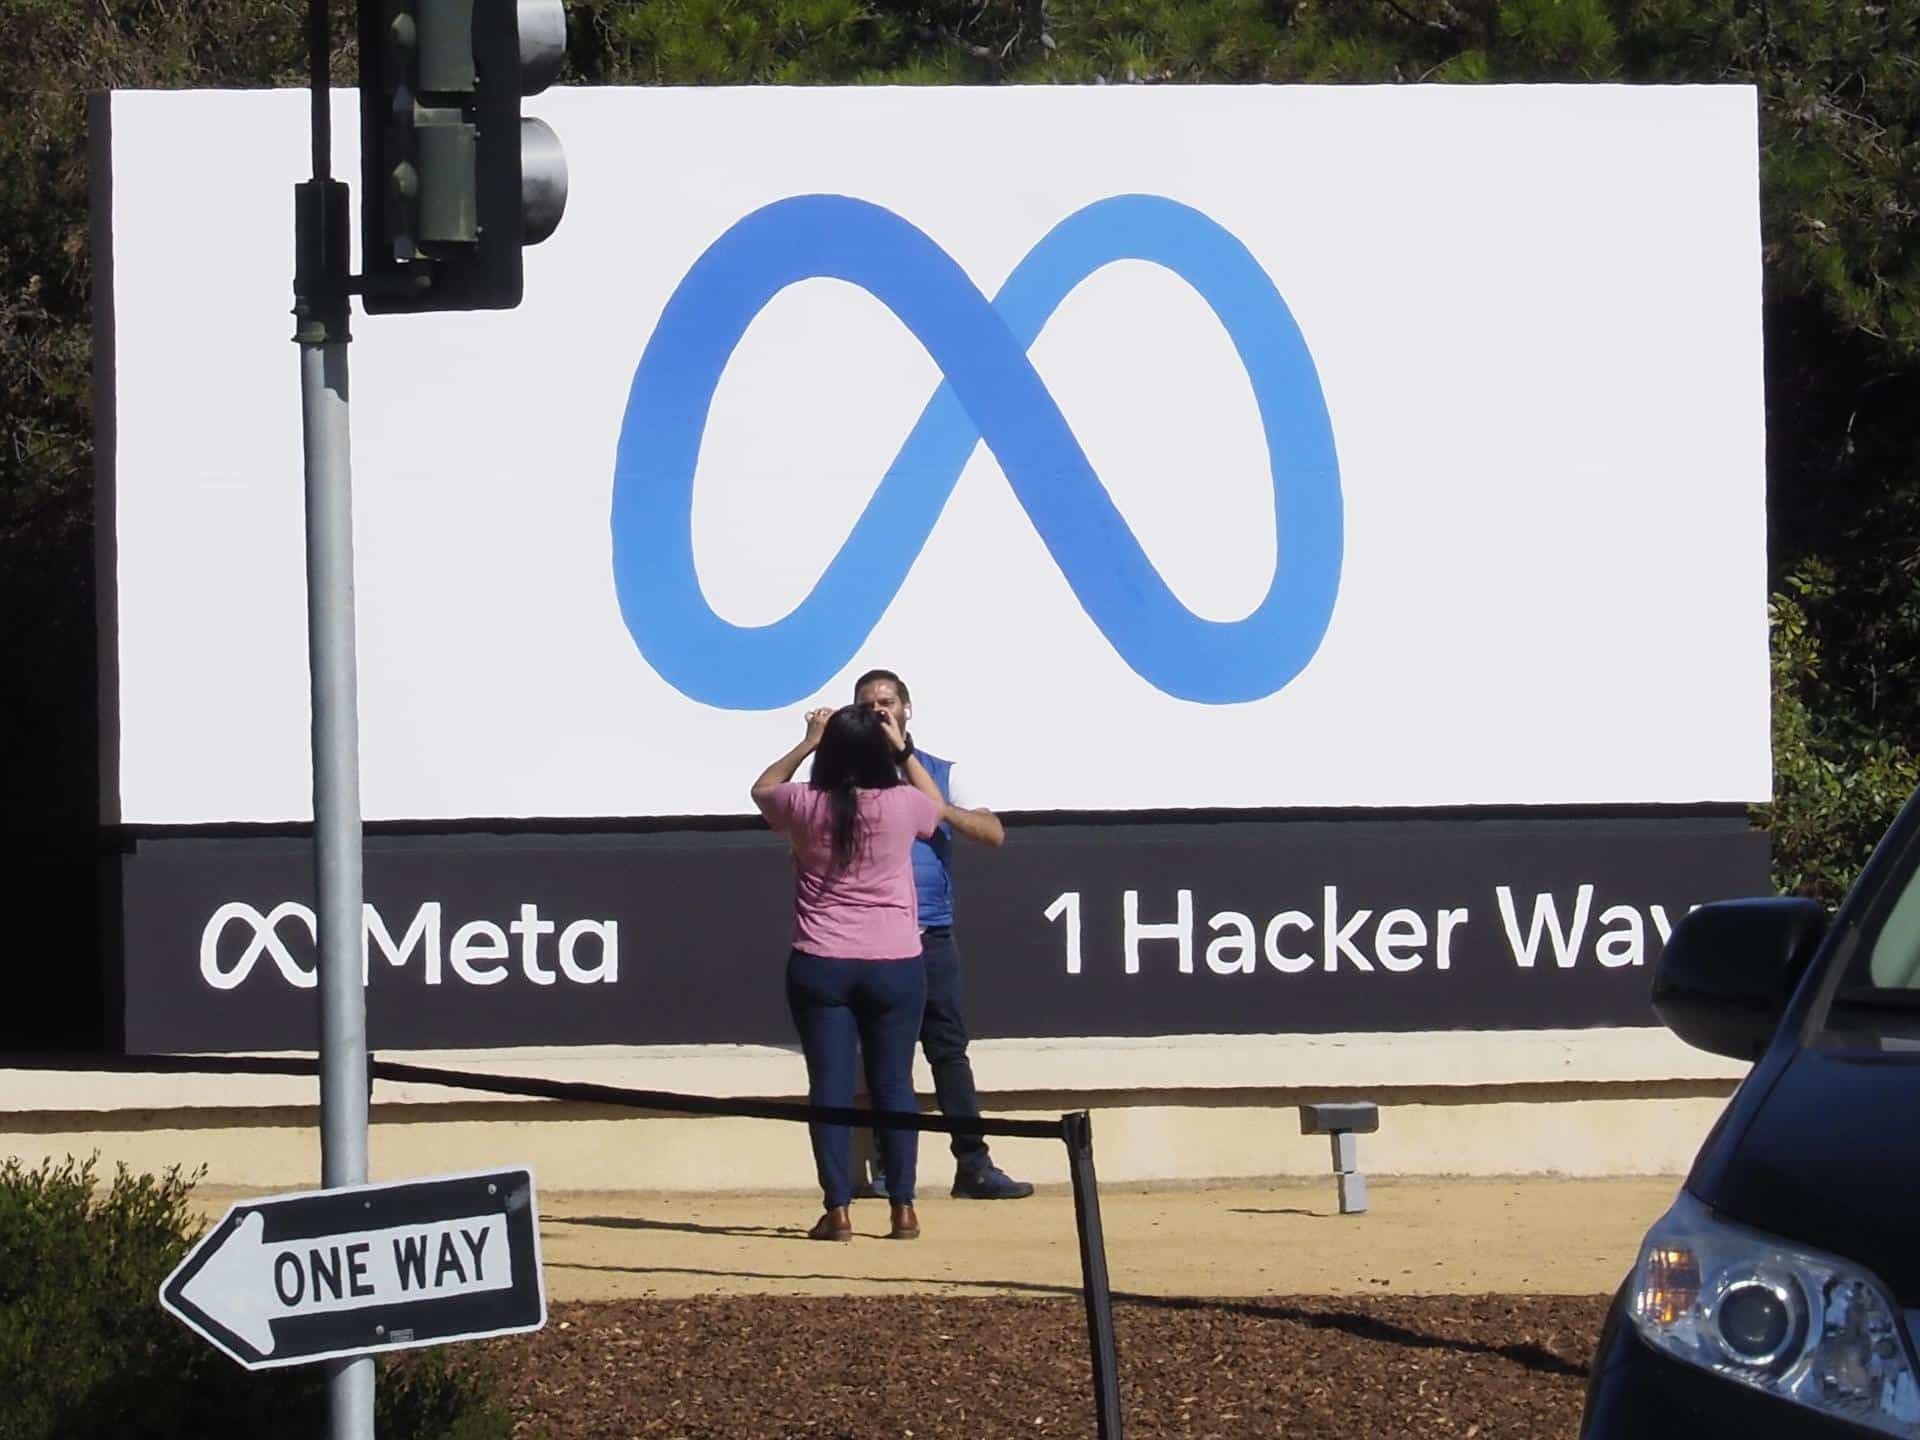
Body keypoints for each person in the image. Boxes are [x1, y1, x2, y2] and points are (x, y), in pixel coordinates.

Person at [752, 703, 947, 1242]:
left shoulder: (803, 802)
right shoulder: (903, 804)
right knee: (894, 1085)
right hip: (895, 961)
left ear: (832, 752)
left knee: (830, 1089)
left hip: (822, 959)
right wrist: (904, 748)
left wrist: (809, 741)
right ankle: (903, 1206)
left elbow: (763, 787)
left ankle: (837, 1210)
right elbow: (937, 806)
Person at [852, 669, 1035, 1201]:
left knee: (949, 1054)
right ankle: (893, 1171)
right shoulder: (847, 775)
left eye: (887, 702)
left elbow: (992, 833)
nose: (880, 712)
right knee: (888, 1060)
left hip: (932, 935)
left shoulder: (943, 772)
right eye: (869, 706)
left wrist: (933, 802)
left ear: (907, 709)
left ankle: (973, 1166)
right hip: (877, 940)